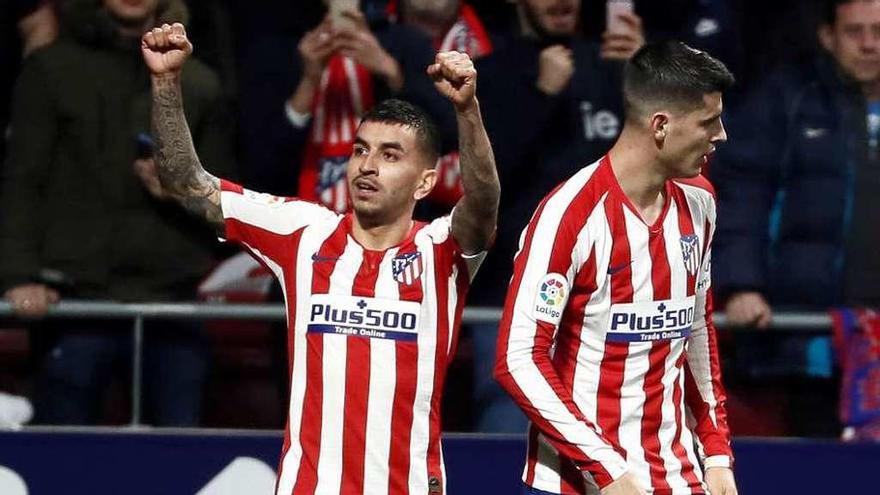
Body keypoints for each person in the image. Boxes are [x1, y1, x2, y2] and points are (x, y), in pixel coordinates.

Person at [142, 21, 499, 493]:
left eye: (391, 155)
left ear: (426, 182)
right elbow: (186, 182)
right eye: (360, 150)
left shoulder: (441, 250)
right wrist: (166, 83)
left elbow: (484, 202)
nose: (368, 166)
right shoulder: (304, 232)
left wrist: (467, 110)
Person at [495, 41, 737, 495]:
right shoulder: (568, 215)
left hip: (677, 474)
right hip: (582, 480)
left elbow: (697, 329)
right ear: (660, 125)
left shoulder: (700, 202)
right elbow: (518, 359)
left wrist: (717, 452)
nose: (720, 134)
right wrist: (606, 468)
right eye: (709, 121)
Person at [1, 0, 233, 425]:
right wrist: (17, 276)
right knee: (63, 466)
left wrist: (181, 191)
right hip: (76, 302)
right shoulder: (51, 71)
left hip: (172, 301)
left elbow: (228, 200)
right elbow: (22, 180)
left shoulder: (199, 82)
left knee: (182, 465)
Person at [469, 0, 644, 433]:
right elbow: (483, 183)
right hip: (514, 296)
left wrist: (649, 79)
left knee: (616, 444)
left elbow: (672, 164)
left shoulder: (619, 66)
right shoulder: (488, 75)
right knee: (508, 437)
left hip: (613, 295)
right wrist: (540, 97)